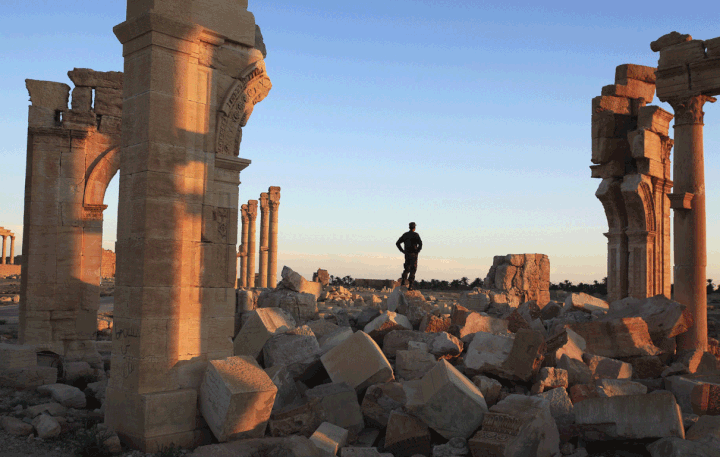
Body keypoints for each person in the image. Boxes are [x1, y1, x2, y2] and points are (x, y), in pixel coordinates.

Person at [396, 222, 422, 290]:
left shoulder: (405, 235)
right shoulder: (416, 235)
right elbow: (420, 244)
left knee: (407, 269)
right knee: (413, 270)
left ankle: (403, 282)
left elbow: (397, 243)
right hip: (413, 255)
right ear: (414, 228)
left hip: (407, 254)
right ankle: (410, 286)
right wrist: (417, 251)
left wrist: (402, 251)